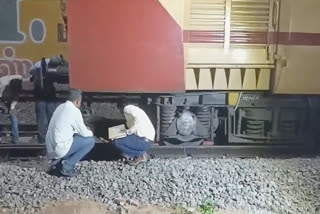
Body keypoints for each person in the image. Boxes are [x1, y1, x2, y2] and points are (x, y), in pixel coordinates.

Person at [46, 89, 95, 177]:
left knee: (77, 135)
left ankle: (57, 160)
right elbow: (85, 133)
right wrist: (90, 131)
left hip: (51, 149)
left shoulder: (60, 107)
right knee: (90, 141)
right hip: (60, 149)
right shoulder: (74, 111)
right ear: (77, 101)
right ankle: (67, 167)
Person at [114, 99, 155, 166]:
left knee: (117, 142)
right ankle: (142, 153)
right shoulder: (134, 109)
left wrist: (128, 132)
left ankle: (140, 156)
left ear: (120, 107)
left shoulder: (127, 109)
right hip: (146, 139)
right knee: (118, 139)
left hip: (144, 140)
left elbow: (137, 121)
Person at [30, 57, 60, 144]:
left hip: (41, 90)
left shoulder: (40, 64)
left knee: (42, 117)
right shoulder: (40, 64)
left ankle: (43, 140)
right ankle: (50, 139)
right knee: (50, 115)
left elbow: (31, 73)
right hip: (46, 90)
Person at [0, 75, 22, 144]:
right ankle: (15, 139)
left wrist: (12, 107)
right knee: (13, 116)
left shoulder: (15, 85)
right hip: (5, 95)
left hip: (8, 96)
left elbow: (15, 98)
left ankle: (15, 138)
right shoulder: (3, 83)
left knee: (13, 115)